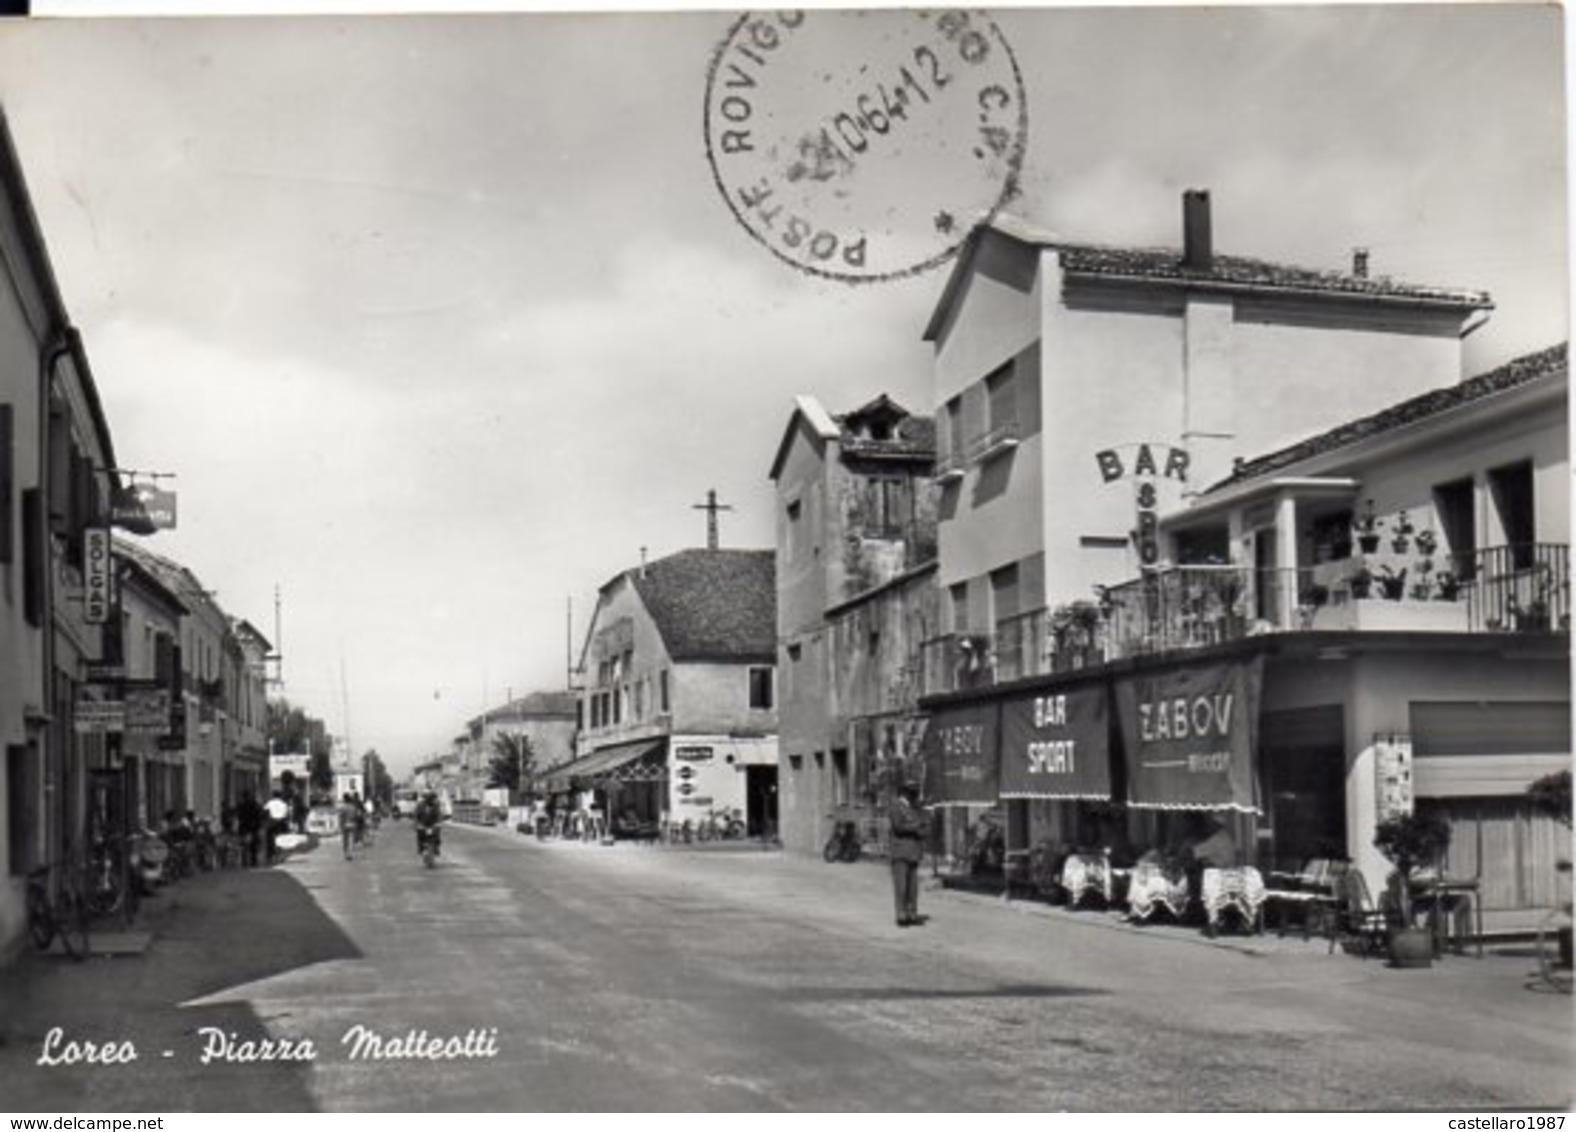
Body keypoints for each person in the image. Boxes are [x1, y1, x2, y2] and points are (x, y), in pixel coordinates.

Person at [888, 785, 927, 927]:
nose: (915, 795)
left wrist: (923, 830)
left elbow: (921, 825)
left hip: (913, 852)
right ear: (905, 793)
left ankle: (912, 913)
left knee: (912, 887)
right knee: (901, 886)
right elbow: (898, 827)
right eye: (913, 792)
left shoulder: (913, 808)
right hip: (900, 852)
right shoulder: (896, 807)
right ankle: (901, 915)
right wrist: (916, 827)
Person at [414, 791, 442, 859]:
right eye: (432, 799)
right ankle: (420, 848)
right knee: (419, 835)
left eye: (434, 799)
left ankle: (436, 847)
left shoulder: (436, 805)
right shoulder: (420, 805)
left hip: (432, 824)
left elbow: (439, 815)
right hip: (422, 823)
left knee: (437, 834)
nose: (434, 800)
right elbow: (416, 815)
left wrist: (438, 823)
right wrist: (416, 824)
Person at [338, 793, 360, 860]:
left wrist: (340, 826)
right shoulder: (353, 807)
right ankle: (351, 854)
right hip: (353, 824)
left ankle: (346, 854)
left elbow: (341, 817)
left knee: (345, 840)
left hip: (345, 824)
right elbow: (357, 816)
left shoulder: (343, 808)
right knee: (352, 840)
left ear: (344, 799)